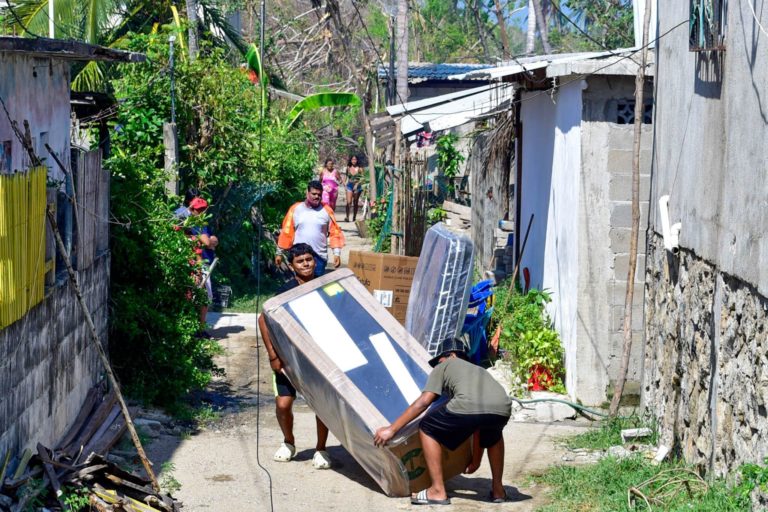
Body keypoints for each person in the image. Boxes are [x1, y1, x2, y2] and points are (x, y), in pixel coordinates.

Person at [374, 338, 512, 505]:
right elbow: (479, 425)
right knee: (494, 435)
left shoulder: (446, 365)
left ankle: (437, 491)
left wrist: (391, 429)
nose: (437, 365)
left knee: (427, 427)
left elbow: (424, 401)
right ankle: (498, 490)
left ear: (451, 355)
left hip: (470, 406)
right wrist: (475, 462)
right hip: (503, 407)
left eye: (439, 360)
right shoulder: (478, 370)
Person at [258, 243, 333, 470]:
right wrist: (273, 356)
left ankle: (321, 449)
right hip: (288, 358)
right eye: (300, 261)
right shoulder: (286, 291)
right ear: (292, 266)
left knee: (322, 406)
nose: (306, 264)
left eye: (309, 259)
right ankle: (288, 442)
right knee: (283, 405)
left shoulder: (324, 286)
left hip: (318, 358)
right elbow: (263, 320)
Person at [276, 180, 345, 276]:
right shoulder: (295, 209)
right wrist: (279, 253)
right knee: (300, 284)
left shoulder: (327, 211)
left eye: (319, 194)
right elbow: (287, 232)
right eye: (314, 194)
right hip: (299, 256)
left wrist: (336, 253)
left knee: (317, 284)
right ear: (307, 193)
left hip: (319, 257)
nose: (317, 196)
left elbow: (335, 232)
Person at [188, 197, 219, 337]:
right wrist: (209, 241)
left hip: (204, 263)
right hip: (199, 264)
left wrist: (210, 241)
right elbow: (208, 242)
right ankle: (198, 329)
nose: (200, 212)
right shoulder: (195, 223)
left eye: (203, 209)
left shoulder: (203, 223)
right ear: (192, 209)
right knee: (203, 297)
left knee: (203, 297)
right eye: (198, 210)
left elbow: (214, 240)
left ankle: (199, 328)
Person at [344, 155, 364, 222]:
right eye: (352, 159)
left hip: (357, 186)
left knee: (355, 202)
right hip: (349, 185)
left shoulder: (360, 168)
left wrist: (357, 184)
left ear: (357, 160)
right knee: (348, 202)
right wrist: (344, 183)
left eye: (355, 159)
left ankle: (354, 217)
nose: (354, 161)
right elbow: (346, 176)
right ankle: (347, 217)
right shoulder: (348, 168)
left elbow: (362, 178)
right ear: (350, 160)